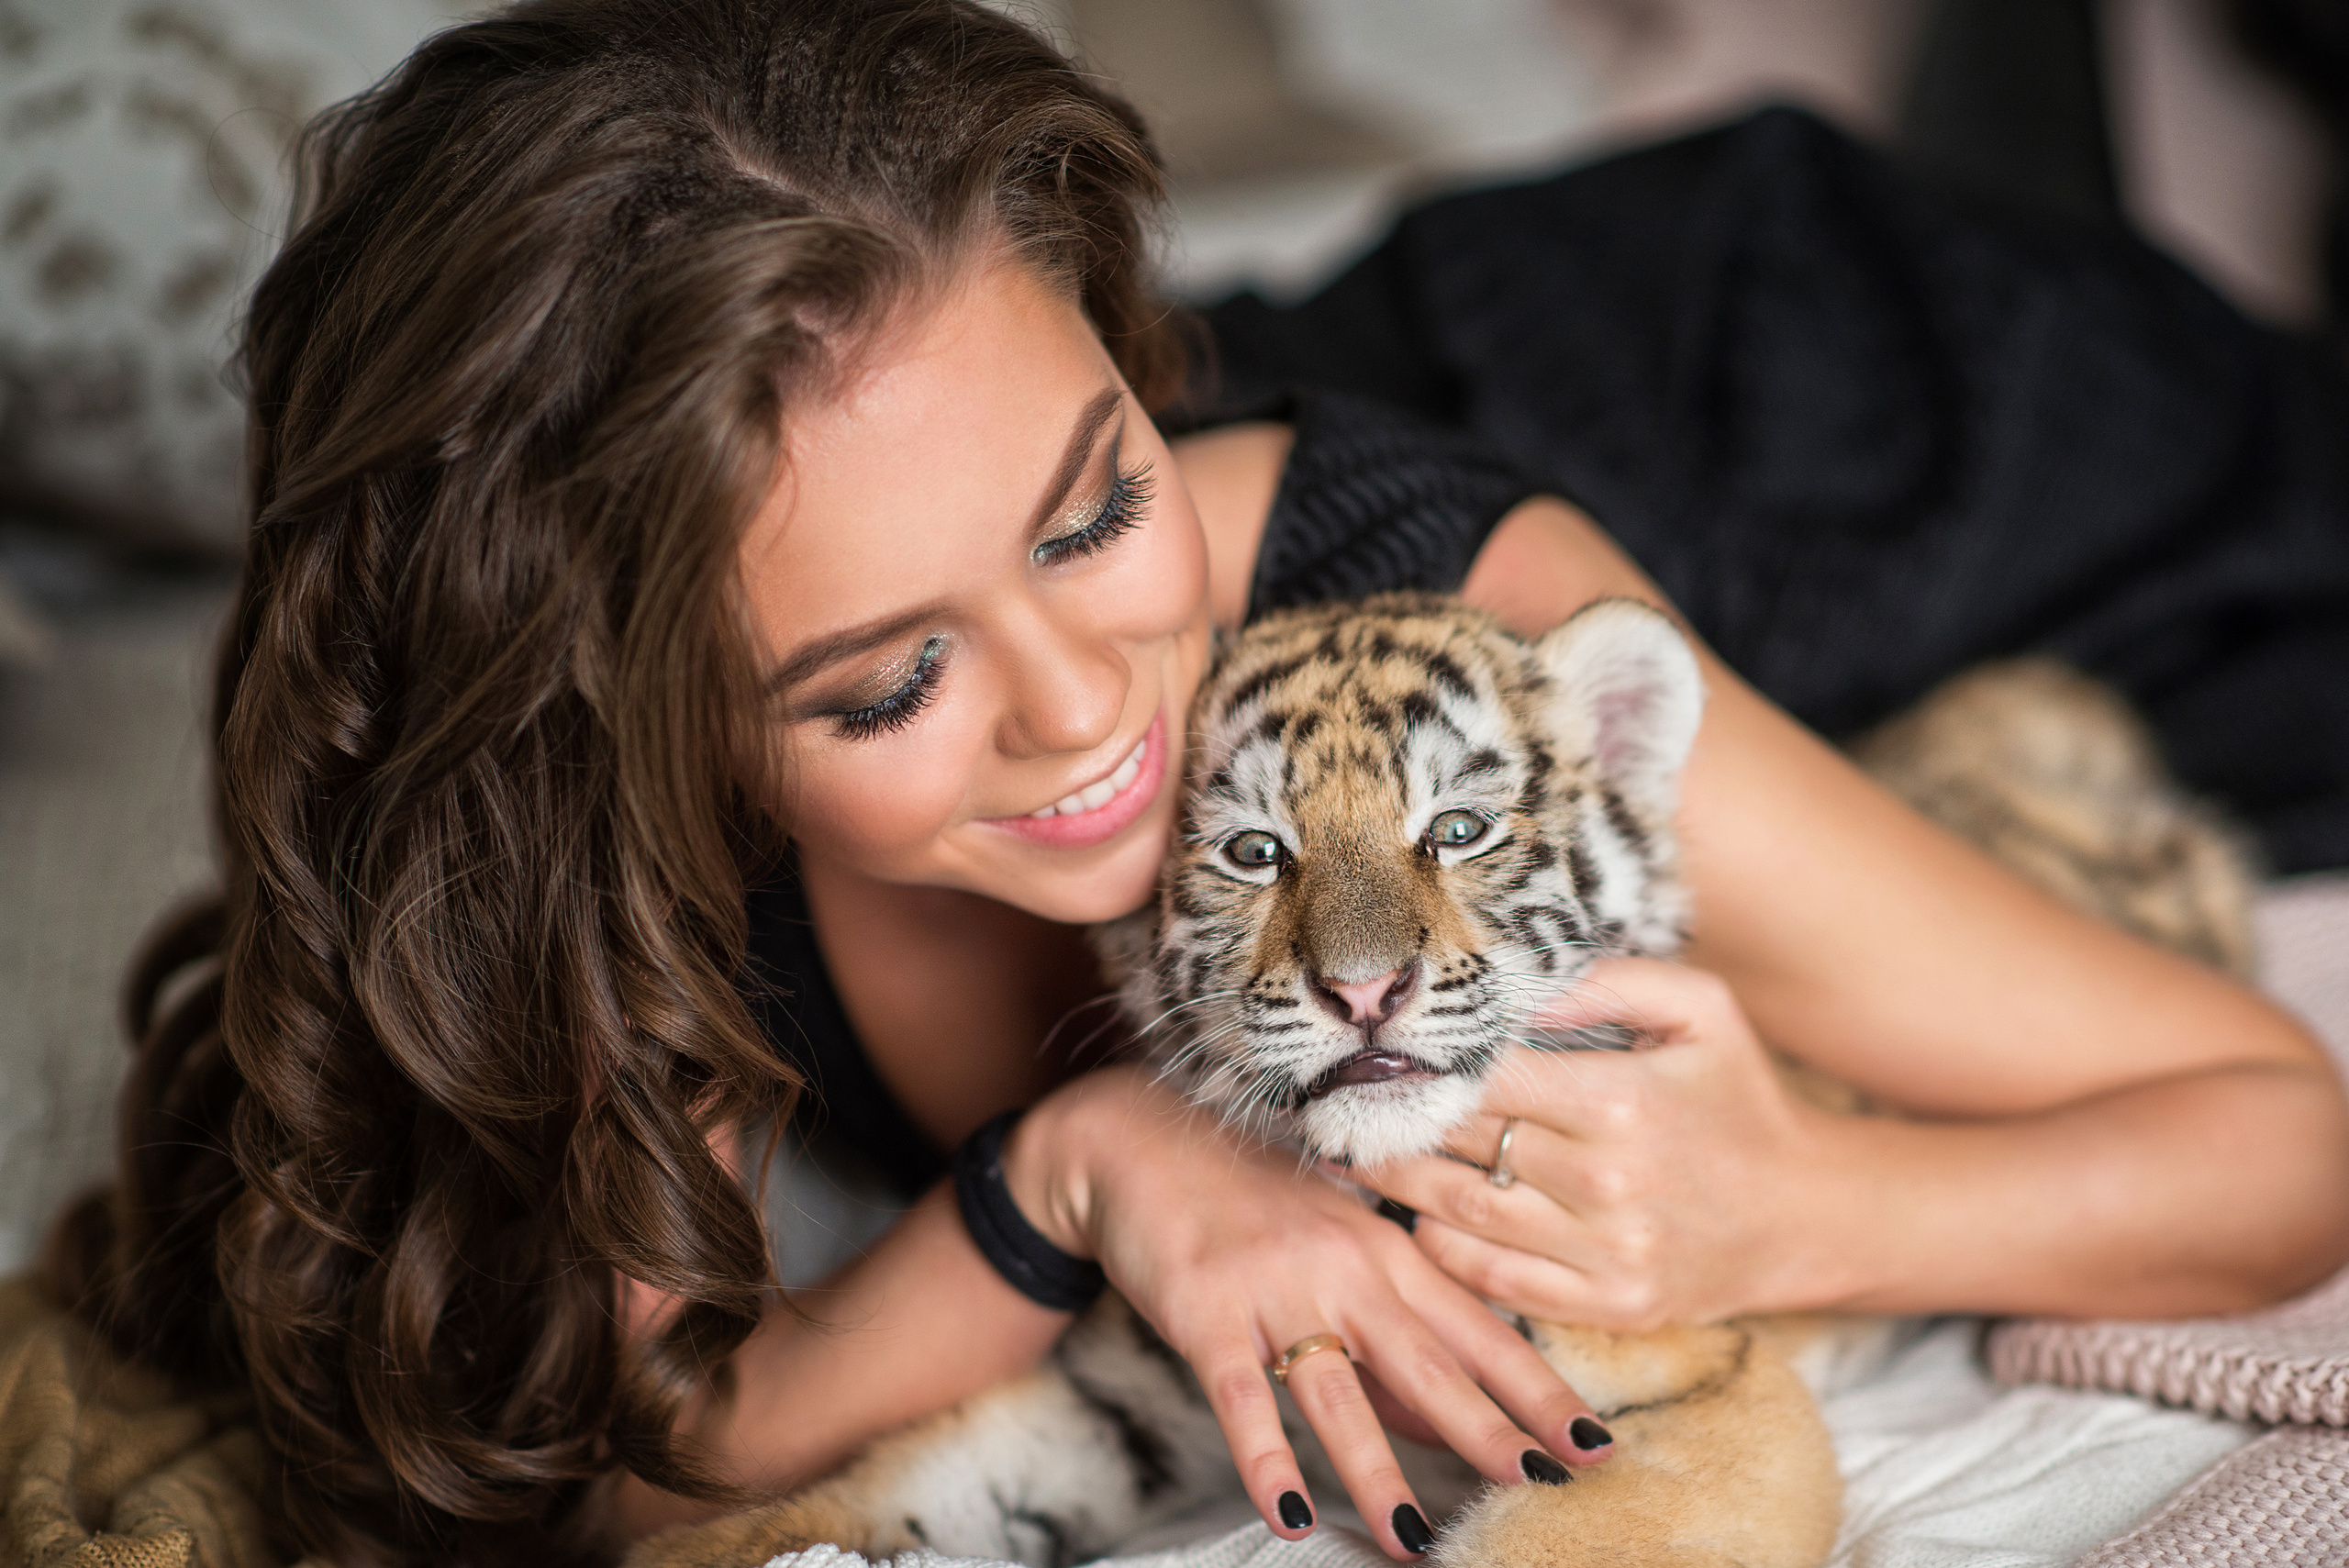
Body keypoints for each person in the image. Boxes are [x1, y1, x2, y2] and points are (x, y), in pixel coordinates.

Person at [41, 1, 2349, 1564]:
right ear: (642, 749)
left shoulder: (1492, 633)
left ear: (1135, 384)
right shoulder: (616, 859)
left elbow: (2271, 1133)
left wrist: (1790, 1216)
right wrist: (1083, 1160)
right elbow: (672, 1439)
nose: (1085, 717)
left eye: (1089, 503)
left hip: (1834, 399)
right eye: (882, 685)